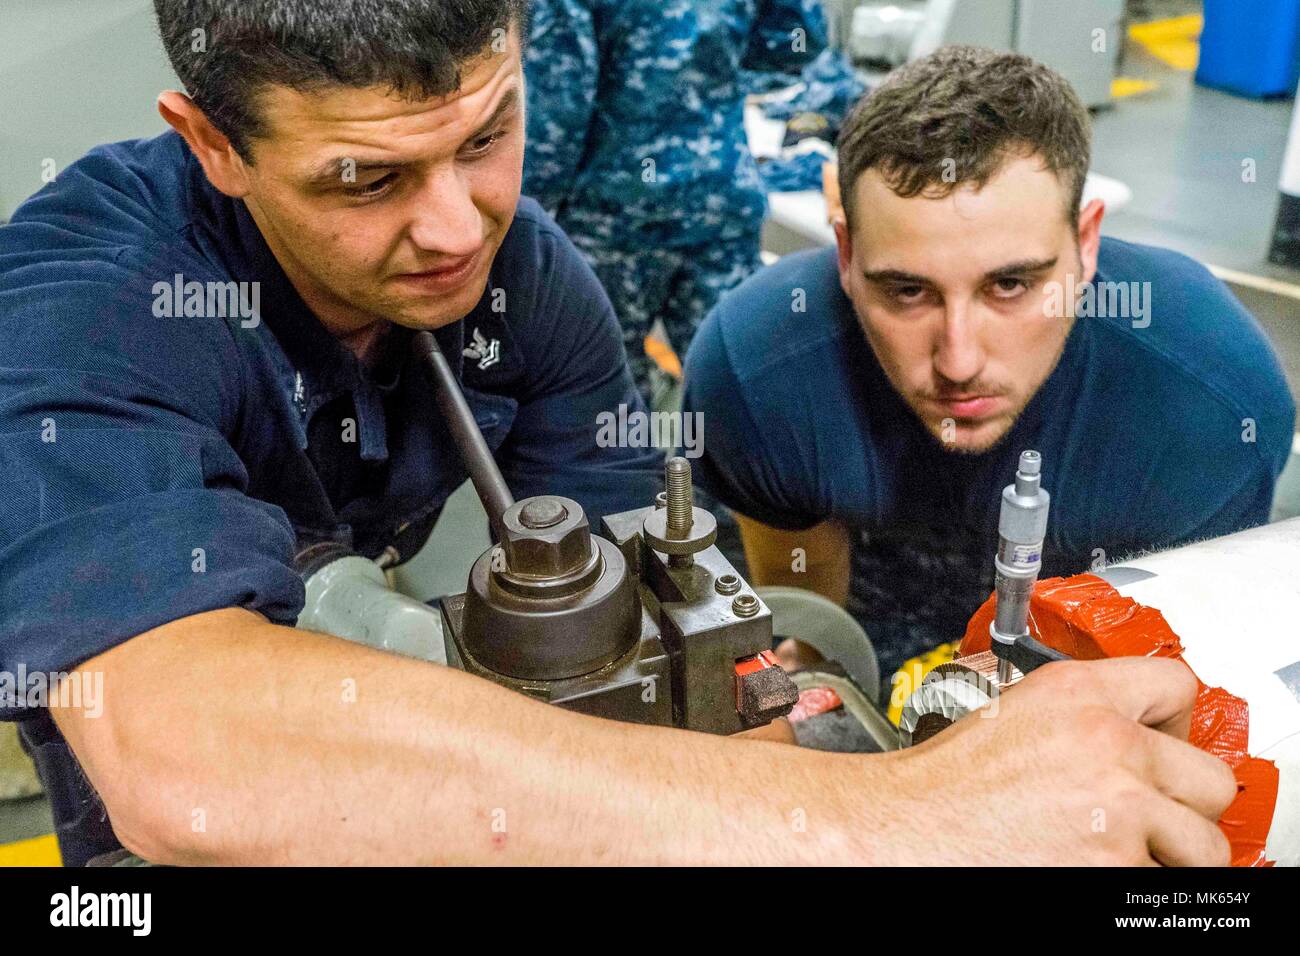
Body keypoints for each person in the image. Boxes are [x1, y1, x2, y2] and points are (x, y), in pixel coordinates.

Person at [0, 4, 1236, 867]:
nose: (455, 230)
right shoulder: (89, 301)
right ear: (214, 140)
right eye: (366, 179)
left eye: (485, 137)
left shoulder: (526, 274)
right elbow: (187, 757)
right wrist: (887, 816)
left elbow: (647, 621)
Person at [681, 46, 1297, 690]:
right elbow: (813, 629)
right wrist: (824, 666)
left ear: (1085, 244)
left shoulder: (1211, 403)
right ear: (845, 253)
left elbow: (1165, 670)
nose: (959, 361)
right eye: (907, 291)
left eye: (1010, 285)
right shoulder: (755, 371)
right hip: (876, 604)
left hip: (1081, 633)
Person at [523, 0, 838, 403]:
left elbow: (559, 104)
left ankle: (642, 466)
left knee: (607, 393)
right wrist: (714, 64)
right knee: (744, 383)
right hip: (719, 201)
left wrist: (530, 212)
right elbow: (798, 42)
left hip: (613, 216)